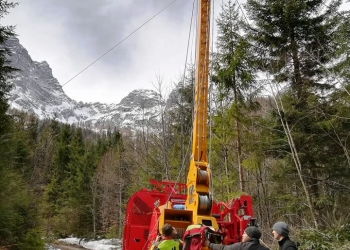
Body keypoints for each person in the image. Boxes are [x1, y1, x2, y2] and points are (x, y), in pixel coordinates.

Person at [204, 226, 269, 250]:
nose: (242, 235)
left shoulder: (242, 246)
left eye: (244, 233)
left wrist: (209, 245)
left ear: (250, 235)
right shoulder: (265, 249)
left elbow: (224, 248)